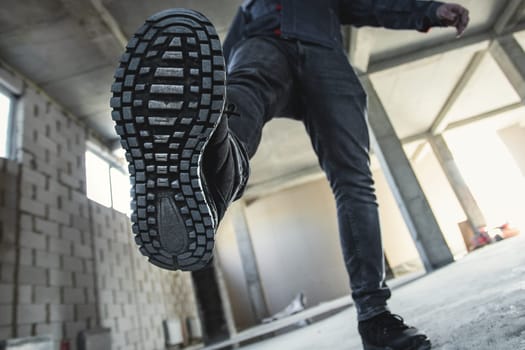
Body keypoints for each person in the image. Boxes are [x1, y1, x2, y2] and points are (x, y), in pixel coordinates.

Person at [110, 1, 469, 349]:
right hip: (263, 48)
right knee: (240, 92)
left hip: (324, 55)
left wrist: (427, 10)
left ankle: (375, 316)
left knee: (354, 179)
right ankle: (213, 174)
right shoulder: (249, 8)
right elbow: (217, 71)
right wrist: (191, 94)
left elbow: (372, 4)